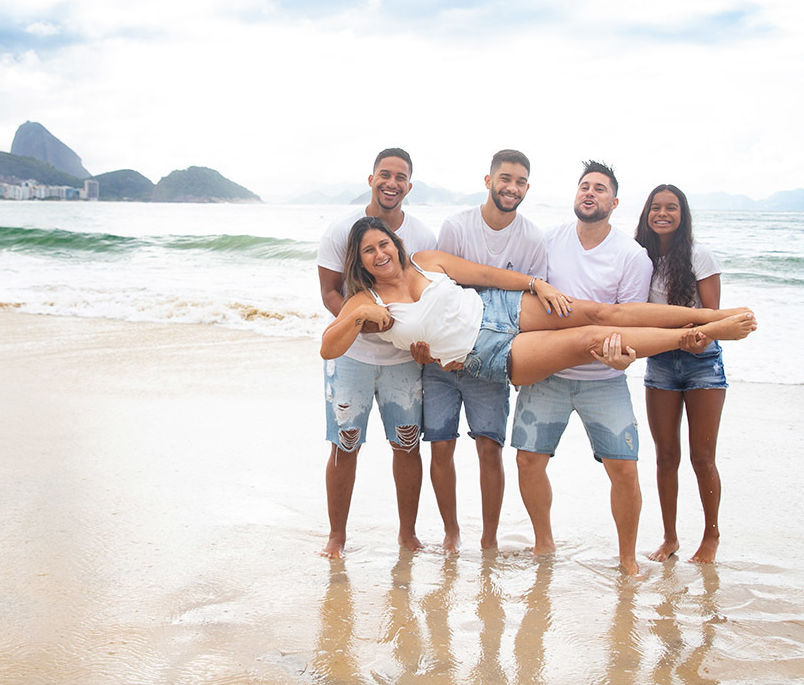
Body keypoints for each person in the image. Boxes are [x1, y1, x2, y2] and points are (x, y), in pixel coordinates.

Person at [320, 217, 756, 388]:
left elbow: (486, 275)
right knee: (591, 337)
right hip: (488, 354)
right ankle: (693, 336)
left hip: (501, 307)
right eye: (369, 252)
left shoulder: (425, 260)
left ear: (395, 243)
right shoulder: (365, 299)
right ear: (360, 261)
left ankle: (712, 314)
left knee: (603, 310)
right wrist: (356, 312)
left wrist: (536, 284)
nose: (381, 254)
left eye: (384, 244)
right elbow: (329, 347)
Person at [511, 160, 653, 576]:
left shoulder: (632, 255)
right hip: (548, 374)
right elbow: (531, 303)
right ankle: (543, 542)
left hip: (604, 379)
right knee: (527, 462)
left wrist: (625, 356)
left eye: (600, 188)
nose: (590, 193)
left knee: (624, 470)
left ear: (614, 201)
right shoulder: (549, 241)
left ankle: (627, 559)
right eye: (584, 186)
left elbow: (630, 322)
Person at [418, 150, 549, 553]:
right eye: (505, 178)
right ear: (488, 179)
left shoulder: (532, 237)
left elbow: (528, 308)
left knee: (489, 447)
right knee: (440, 445)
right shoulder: (457, 226)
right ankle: (451, 533)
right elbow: (441, 291)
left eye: (521, 181)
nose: (512, 187)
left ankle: (489, 538)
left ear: (527, 187)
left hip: (490, 358)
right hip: (443, 357)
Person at [316, 148, 437, 559]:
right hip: (352, 357)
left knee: (406, 444)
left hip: (404, 359)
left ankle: (408, 533)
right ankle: (337, 537)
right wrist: (361, 321)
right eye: (384, 174)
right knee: (345, 443)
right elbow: (331, 292)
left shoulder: (422, 235)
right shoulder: (340, 230)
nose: (392, 183)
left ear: (409, 185)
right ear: (371, 179)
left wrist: (420, 342)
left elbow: (428, 298)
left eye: (400, 177)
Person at [634, 184, 728, 564]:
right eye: (655, 207)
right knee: (665, 455)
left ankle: (710, 537)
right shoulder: (639, 257)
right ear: (646, 213)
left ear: (682, 214)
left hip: (702, 363)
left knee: (702, 457)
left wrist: (696, 338)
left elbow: (713, 318)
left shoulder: (698, 256)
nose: (662, 213)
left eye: (671, 208)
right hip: (660, 362)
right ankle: (670, 538)